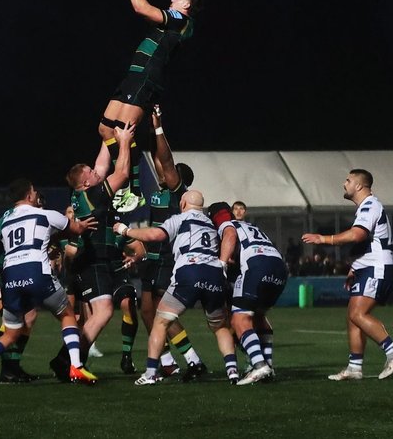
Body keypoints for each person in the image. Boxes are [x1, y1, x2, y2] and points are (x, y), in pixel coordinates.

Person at [0, 179, 99, 387]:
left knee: (10, 333)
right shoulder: (45, 214)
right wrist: (82, 225)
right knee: (67, 315)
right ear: (29, 196)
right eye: (34, 191)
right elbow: (75, 229)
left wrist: (7, 262)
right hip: (37, 272)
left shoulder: (3, 220)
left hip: (10, 277)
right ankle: (76, 366)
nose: (37, 194)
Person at [96, 0, 202, 207]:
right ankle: (127, 182)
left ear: (186, 4)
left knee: (123, 131)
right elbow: (145, 10)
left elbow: (141, 8)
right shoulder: (171, 22)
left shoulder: (181, 19)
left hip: (146, 77)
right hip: (134, 75)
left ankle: (132, 189)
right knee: (104, 128)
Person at [115, 190, 240, 385]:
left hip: (190, 271)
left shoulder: (180, 218)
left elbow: (155, 234)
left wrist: (125, 230)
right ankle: (232, 370)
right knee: (220, 326)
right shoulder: (210, 223)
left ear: (183, 204)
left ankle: (150, 373)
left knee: (160, 321)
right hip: (214, 274)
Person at [302, 169, 393, 381]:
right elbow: (368, 242)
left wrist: (324, 239)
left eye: (348, 180)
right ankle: (354, 367)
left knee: (358, 314)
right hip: (370, 267)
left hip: (377, 268)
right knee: (353, 317)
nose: (344, 184)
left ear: (359, 186)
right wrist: (355, 267)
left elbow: (358, 234)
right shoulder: (368, 207)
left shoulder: (370, 205)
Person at [51, 122, 136, 378]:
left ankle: (67, 360)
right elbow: (121, 171)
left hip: (95, 260)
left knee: (100, 312)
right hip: (94, 260)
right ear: (86, 182)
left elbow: (101, 165)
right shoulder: (96, 194)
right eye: (90, 172)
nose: (96, 171)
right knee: (104, 311)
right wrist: (124, 141)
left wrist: (106, 134)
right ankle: (68, 361)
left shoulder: (83, 193)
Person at [137, 105, 205, 380]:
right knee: (146, 310)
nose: (162, 171)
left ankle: (192, 359)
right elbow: (157, 157)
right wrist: (149, 129)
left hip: (166, 256)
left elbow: (164, 160)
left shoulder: (179, 193)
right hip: (151, 258)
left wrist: (159, 127)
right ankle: (167, 362)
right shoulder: (162, 189)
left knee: (163, 311)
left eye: (169, 171)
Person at [208, 202, 288, 385]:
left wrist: (221, 265)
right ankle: (268, 365)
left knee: (239, 319)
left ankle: (259, 365)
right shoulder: (251, 226)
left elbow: (230, 240)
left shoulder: (227, 225)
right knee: (259, 315)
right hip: (279, 266)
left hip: (256, 265)